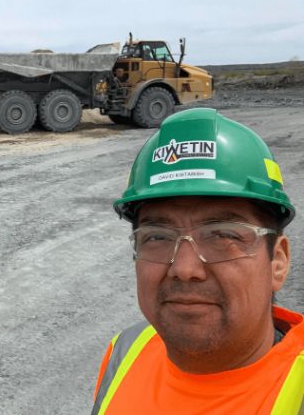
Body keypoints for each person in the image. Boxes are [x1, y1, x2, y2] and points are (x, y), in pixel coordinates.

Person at [91, 108, 304, 414]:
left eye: (222, 236)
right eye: (158, 237)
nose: (185, 269)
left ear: (278, 262)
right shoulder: (125, 352)